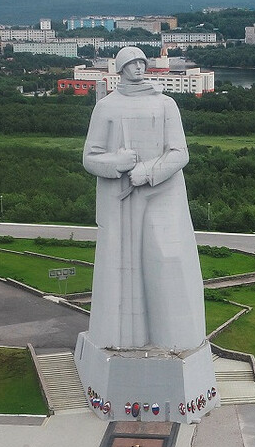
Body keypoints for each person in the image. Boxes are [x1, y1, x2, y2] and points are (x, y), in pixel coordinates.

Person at [81, 47, 205, 351]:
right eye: (132, 63)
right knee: (120, 271)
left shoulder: (165, 104)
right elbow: (90, 158)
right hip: (121, 200)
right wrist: (117, 162)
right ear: (121, 68)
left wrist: (147, 172)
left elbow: (180, 153)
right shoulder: (107, 108)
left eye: (141, 62)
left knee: (168, 259)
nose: (138, 67)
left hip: (162, 194)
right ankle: (122, 340)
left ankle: (173, 340)